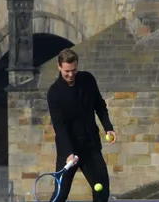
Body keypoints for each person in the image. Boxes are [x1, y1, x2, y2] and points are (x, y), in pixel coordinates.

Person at [46, 49, 116, 202]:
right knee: (61, 194)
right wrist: (69, 153)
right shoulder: (54, 93)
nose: (71, 75)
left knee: (102, 190)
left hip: (91, 147)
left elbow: (99, 105)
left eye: (74, 70)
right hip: (68, 150)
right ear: (59, 67)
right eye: (67, 71)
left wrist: (108, 127)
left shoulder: (88, 80)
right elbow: (59, 126)